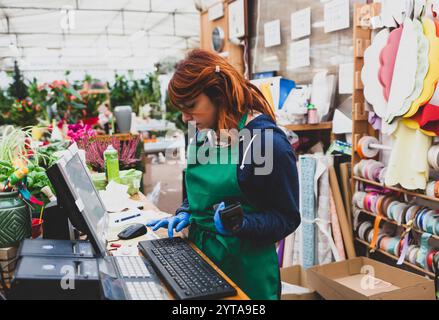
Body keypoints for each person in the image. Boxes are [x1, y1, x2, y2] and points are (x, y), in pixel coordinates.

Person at [146, 49, 300, 300]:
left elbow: (287, 217)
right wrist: (187, 211)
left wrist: (241, 225)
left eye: (191, 107)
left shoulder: (265, 143)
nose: (185, 117)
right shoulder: (201, 132)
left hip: (245, 274)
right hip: (201, 262)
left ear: (218, 94)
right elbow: (201, 195)